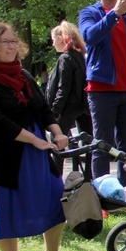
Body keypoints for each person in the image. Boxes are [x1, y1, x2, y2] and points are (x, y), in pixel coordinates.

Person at [0, 22, 72, 251]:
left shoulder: (22, 74)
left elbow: (44, 108)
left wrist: (57, 132)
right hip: (4, 156)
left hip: (37, 152)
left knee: (55, 199)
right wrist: (35, 140)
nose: (12, 46)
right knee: (6, 212)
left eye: (14, 41)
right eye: (5, 42)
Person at [78, 0, 126, 187]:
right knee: (101, 145)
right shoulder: (89, 13)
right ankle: (103, 196)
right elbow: (90, 36)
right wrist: (113, 14)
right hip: (102, 90)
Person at [46, 21, 93, 170]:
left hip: (68, 108)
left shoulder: (65, 58)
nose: (53, 44)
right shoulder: (80, 56)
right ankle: (89, 177)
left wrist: (53, 112)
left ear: (61, 38)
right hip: (83, 106)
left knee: (57, 144)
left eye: (53, 39)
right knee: (88, 142)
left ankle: (56, 179)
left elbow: (63, 88)